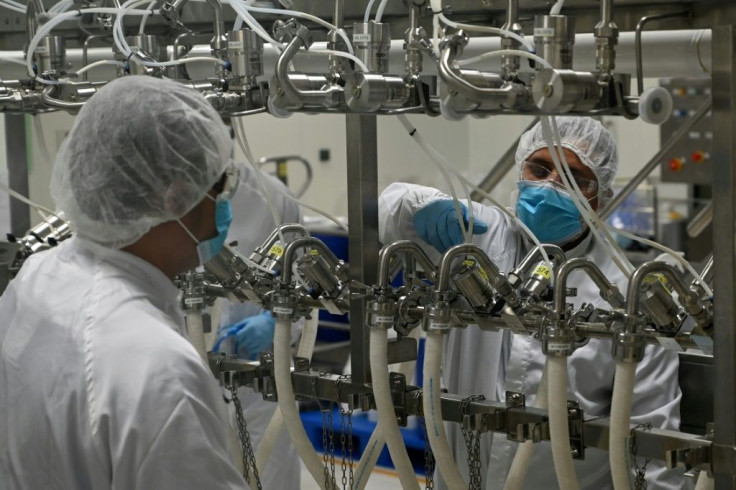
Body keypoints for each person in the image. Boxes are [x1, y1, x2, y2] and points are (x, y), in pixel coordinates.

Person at [379, 117, 684, 489]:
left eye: (575, 177)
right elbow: (390, 207)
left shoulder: (627, 293)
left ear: (601, 199)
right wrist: (426, 206)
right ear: (520, 170)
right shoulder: (481, 235)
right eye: (539, 168)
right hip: (460, 477)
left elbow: (652, 433)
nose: (551, 184)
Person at [0, 76, 246, 489]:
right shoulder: (160, 369)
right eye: (218, 186)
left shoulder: (37, 277)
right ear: (176, 198)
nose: (222, 204)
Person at [213, 162, 303, 489]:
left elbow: (300, 278)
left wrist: (275, 323)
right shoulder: (162, 192)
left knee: (272, 467)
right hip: (192, 363)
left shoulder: (273, 196)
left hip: (264, 366)